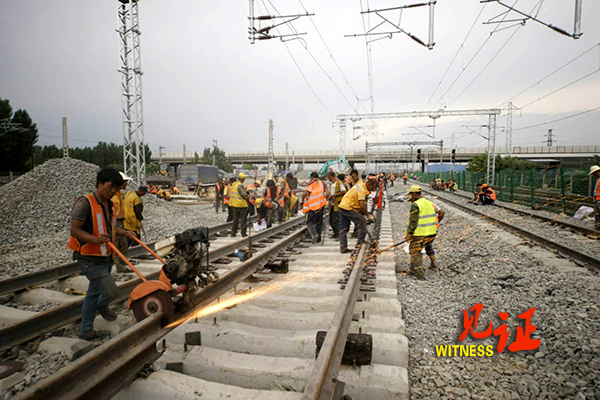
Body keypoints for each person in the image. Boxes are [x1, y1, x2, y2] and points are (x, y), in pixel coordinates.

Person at [68, 168, 135, 340]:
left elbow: (110, 228)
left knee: (92, 294)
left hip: (105, 258)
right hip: (89, 258)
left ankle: (86, 330)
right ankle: (102, 307)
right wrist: (95, 239)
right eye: (110, 187)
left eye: (116, 189)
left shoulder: (110, 205)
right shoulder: (85, 203)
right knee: (111, 293)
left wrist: (124, 232)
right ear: (100, 183)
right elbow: (75, 230)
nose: (113, 191)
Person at [405, 185, 444, 280]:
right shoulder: (430, 203)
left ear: (414, 194)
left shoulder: (415, 205)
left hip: (420, 233)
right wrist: (436, 223)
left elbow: (413, 221)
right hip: (431, 233)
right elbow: (442, 212)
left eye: (411, 194)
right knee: (417, 250)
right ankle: (413, 270)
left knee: (416, 252)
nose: (410, 197)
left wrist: (409, 233)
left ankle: (419, 274)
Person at [338, 178, 378, 254]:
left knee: (344, 229)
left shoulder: (360, 186)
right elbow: (362, 206)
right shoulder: (362, 190)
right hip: (347, 208)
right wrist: (368, 215)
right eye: (373, 187)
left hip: (342, 206)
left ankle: (343, 248)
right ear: (370, 184)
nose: (373, 189)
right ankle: (360, 242)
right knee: (362, 221)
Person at [111, 172, 131, 273]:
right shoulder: (112, 196)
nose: (126, 184)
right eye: (125, 182)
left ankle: (122, 266)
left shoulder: (119, 195)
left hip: (121, 222)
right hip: (115, 222)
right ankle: (119, 267)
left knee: (123, 245)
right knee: (117, 245)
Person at [302, 172, 328, 243]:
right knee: (319, 222)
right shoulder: (323, 183)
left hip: (312, 206)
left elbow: (304, 193)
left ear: (312, 177)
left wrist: (302, 200)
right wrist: (324, 200)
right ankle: (318, 239)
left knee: (309, 222)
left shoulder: (311, 183)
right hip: (321, 206)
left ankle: (314, 234)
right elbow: (327, 193)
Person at [327, 171, 346, 239]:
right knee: (331, 221)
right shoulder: (331, 184)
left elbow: (344, 191)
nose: (327, 178)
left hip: (337, 205)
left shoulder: (339, 183)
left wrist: (335, 195)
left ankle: (338, 234)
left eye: (328, 176)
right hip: (332, 204)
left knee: (335, 220)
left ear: (330, 176)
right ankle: (335, 233)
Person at [230, 173, 250, 237]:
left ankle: (233, 232)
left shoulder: (234, 184)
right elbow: (243, 194)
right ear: (243, 179)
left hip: (234, 204)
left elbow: (237, 193)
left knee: (235, 219)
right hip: (241, 204)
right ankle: (243, 233)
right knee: (243, 219)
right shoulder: (240, 185)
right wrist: (248, 196)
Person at [589, 165, 600, 230]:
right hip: (598, 200)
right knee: (598, 214)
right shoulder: (598, 179)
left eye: (593, 173)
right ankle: (598, 226)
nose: (593, 175)